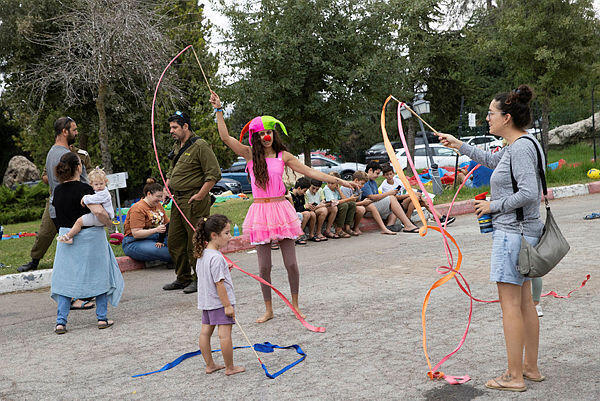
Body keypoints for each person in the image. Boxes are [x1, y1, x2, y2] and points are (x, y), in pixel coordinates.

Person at [210, 90, 358, 323]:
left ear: (273, 134)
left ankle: (295, 305)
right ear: (255, 137)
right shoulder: (249, 155)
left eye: (269, 132)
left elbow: (311, 172)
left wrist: (340, 180)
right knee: (264, 267)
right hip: (260, 211)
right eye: (261, 134)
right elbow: (225, 139)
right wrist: (219, 110)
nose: (265, 137)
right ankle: (268, 309)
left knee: (291, 263)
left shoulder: (283, 156)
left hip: (281, 210)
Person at [437, 84, 545, 392]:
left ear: (507, 117)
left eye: (491, 113)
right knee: (525, 303)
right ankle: (530, 368)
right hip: (521, 235)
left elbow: (528, 193)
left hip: (513, 235)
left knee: (512, 305)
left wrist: (492, 206)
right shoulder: (520, 145)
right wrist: (460, 145)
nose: (487, 118)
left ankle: (514, 376)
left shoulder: (521, 147)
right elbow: (496, 163)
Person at [50, 152, 124, 334]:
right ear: (78, 167)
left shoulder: (56, 191)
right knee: (99, 276)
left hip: (66, 237)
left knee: (66, 280)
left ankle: (61, 322)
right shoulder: (85, 189)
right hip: (90, 237)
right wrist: (109, 223)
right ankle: (101, 318)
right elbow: (98, 212)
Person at [17, 118, 91, 277]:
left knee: (71, 236)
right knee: (47, 233)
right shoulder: (58, 154)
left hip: (64, 202)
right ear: (65, 131)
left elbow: (83, 180)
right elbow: (50, 177)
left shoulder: (68, 153)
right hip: (60, 202)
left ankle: (80, 266)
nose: (76, 133)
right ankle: (35, 261)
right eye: (74, 129)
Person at [163, 111, 221, 294]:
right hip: (177, 200)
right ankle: (183, 278)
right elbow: (172, 174)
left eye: (175, 127)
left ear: (185, 127)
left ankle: (200, 279)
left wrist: (201, 194)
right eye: (170, 127)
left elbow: (214, 173)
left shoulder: (200, 146)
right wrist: (167, 188)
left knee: (194, 241)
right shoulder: (177, 147)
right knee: (174, 240)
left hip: (194, 200)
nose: (171, 131)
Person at [195, 214, 245, 376]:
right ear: (214, 235)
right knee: (224, 335)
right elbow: (219, 284)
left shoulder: (203, 254)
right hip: (219, 303)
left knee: (205, 332)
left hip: (206, 301)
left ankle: (210, 365)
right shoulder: (216, 258)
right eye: (227, 233)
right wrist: (227, 305)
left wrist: (224, 269)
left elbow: (209, 277)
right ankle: (230, 367)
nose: (230, 237)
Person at [379, 164, 455, 226]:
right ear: (383, 176)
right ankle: (407, 220)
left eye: (390, 174)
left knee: (423, 203)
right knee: (414, 197)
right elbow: (395, 197)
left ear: (393, 173)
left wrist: (421, 197)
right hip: (398, 205)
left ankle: (441, 219)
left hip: (407, 201)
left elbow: (409, 189)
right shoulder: (385, 186)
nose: (389, 176)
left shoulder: (398, 180)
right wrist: (411, 195)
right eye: (386, 175)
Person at [57, 167, 114, 244]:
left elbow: (95, 199)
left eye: (101, 183)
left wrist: (84, 198)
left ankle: (68, 236)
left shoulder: (104, 193)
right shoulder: (99, 191)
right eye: (96, 184)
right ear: (91, 184)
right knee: (79, 222)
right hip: (100, 217)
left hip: (103, 217)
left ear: (106, 182)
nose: (99, 186)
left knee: (79, 222)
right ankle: (69, 236)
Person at [122, 179, 172, 263]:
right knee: (169, 253)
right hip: (134, 241)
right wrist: (156, 230)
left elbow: (166, 223)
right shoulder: (138, 208)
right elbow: (136, 233)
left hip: (157, 237)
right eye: (158, 196)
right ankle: (171, 258)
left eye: (161, 196)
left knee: (179, 246)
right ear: (149, 194)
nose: (160, 199)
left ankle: (174, 259)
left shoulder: (158, 205)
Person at [362, 161, 419, 234]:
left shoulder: (373, 182)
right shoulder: (365, 181)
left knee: (395, 205)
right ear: (370, 170)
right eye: (377, 173)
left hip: (374, 205)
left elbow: (377, 198)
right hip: (367, 208)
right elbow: (372, 197)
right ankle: (408, 225)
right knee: (392, 198)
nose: (377, 176)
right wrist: (389, 193)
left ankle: (390, 226)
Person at [323, 172, 358, 237]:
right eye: (328, 182)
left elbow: (345, 199)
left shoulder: (336, 189)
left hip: (336, 205)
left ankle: (347, 227)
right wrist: (349, 199)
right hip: (330, 206)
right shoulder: (326, 189)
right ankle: (339, 229)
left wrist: (339, 190)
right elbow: (334, 203)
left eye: (332, 183)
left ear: (337, 184)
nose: (330, 185)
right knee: (344, 205)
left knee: (352, 204)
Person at [287, 177, 316, 245]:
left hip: (299, 213)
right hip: (291, 215)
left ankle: (311, 234)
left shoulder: (301, 194)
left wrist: (308, 206)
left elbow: (302, 207)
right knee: (306, 214)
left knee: (312, 213)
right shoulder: (289, 195)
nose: (305, 193)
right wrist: (304, 207)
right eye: (304, 191)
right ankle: (298, 236)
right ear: (299, 188)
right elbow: (292, 210)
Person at [339, 171, 368, 235]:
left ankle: (354, 227)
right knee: (361, 209)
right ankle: (352, 227)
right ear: (356, 180)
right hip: (344, 206)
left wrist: (363, 202)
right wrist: (363, 202)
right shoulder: (345, 188)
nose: (362, 186)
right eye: (362, 183)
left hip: (352, 206)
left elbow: (357, 201)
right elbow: (347, 203)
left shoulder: (358, 188)